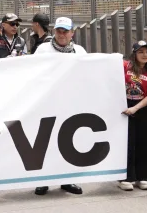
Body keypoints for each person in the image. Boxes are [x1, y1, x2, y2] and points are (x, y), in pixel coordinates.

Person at [28, 16, 84, 197]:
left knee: (68, 142)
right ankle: (43, 180)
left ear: (72, 33)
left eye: (65, 31)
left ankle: (67, 179)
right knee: (45, 142)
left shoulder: (80, 51)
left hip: (70, 105)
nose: (62, 34)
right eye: (59, 31)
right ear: (54, 31)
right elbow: (33, 73)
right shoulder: (43, 49)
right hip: (47, 104)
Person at [120, 40, 147, 192]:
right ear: (134, 53)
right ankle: (126, 177)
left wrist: (135, 108)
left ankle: (143, 177)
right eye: (141, 52)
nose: (145, 55)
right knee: (128, 143)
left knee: (145, 143)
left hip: (143, 108)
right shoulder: (125, 67)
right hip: (126, 107)